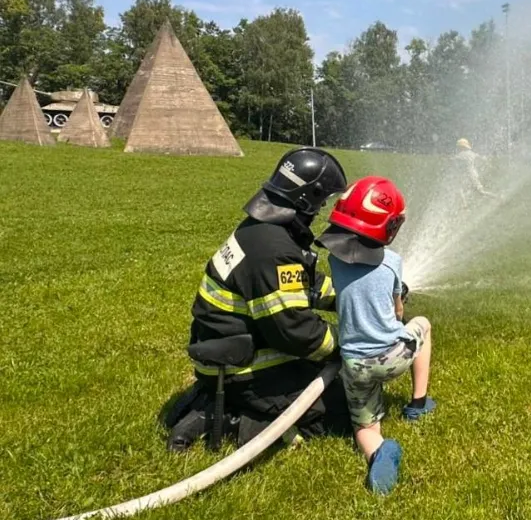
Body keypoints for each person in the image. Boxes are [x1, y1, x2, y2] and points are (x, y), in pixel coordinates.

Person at [166, 147, 350, 451]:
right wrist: (349, 342)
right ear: (307, 199)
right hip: (246, 371)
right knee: (340, 411)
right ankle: (232, 419)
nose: (320, 211)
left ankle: (216, 399)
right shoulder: (273, 251)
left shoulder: (262, 230)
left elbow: (305, 285)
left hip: (226, 355)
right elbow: (296, 331)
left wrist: (350, 298)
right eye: (322, 201)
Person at [318, 176, 435, 495]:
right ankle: (418, 402)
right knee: (423, 324)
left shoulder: (334, 259)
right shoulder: (393, 262)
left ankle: (377, 451)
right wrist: (398, 299)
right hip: (394, 356)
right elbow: (398, 312)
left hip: (355, 366)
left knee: (365, 427)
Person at [454, 138, 500, 204]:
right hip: (473, 174)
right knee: (479, 192)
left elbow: (454, 159)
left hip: (468, 175)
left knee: (461, 189)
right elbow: (481, 158)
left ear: (462, 147)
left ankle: (464, 205)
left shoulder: (461, 154)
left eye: (459, 147)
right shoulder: (472, 153)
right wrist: (488, 163)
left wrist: (449, 159)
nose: (458, 148)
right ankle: (496, 197)